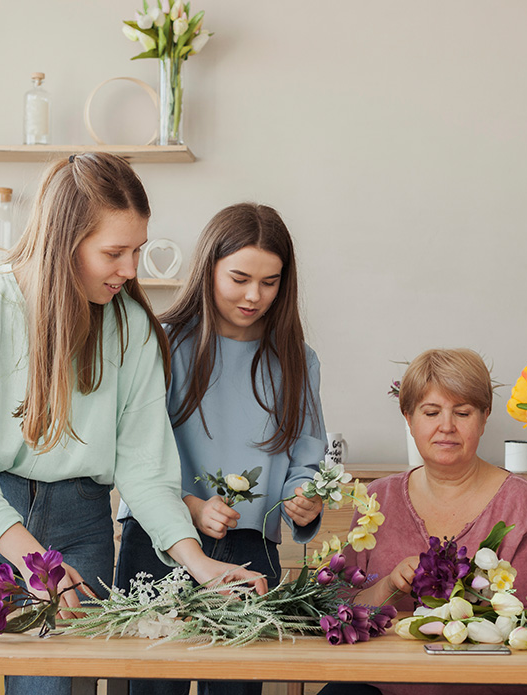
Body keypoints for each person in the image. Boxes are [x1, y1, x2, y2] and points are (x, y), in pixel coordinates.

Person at [0, 154, 266, 695]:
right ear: (63, 242)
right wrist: (32, 559)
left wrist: (199, 563)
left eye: (137, 250)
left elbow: (145, 467)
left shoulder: (130, 326)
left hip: (82, 525)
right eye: (115, 252)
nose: (132, 270)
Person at [115, 203, 327, 695]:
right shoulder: (162, 342)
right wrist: (189, 504)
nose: (254, 295)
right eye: (239, 278)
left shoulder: (298, 360)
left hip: (251, 549)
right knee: (151, 687)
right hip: (158, 544)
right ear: (208, 267)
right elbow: (134, 453)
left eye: (270, 282)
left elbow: (307, 455)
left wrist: (303, 499)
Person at [320, 348, 527, 695]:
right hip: (383, 685)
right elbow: (342, 613)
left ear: (484, 417)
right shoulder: (378, 500)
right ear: (408, 418)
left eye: (462, 412)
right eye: (431, 412)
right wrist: (390, 584)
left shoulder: (524, 506)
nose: (446, 427)